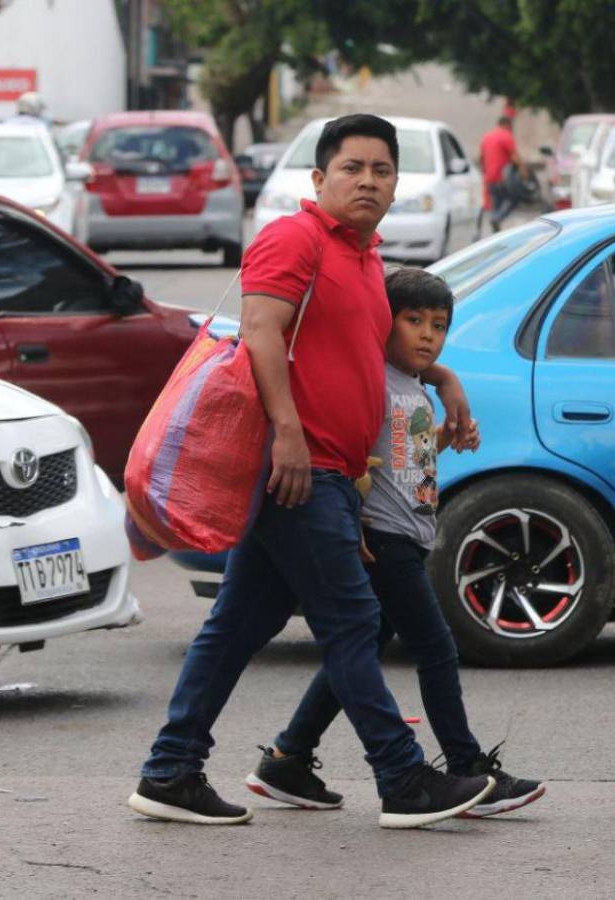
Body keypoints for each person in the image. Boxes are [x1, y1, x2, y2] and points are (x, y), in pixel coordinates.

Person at [129, 114, 492, 830]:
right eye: (352, 168)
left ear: (395, 185)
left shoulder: (363, 259)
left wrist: (445, 379)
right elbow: (262, 332)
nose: (367, 181)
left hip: (331, 472)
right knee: (354, 618)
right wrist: (289, 435)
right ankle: (402, 777)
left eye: (381, 170)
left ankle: (170, 770)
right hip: (299, 468)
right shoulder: (292, 239)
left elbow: (371, 353)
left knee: (238, 626)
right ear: (320, 179)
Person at [246, 267, 547, 819]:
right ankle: (465, 766)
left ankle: (288, 758)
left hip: (408, 533)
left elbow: (401, 455)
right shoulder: (372, 379)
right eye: (413, 321)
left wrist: (446, 425)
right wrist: (351, 524)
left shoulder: (411, 384)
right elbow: (350, 461)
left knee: (357, 652)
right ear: (383, 322)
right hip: (380, 538)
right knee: (436, 649)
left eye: (439, 325)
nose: (428, 335)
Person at [479, 116, 523, 233]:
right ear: (507, 125)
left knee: (496, 203)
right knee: (514, 198)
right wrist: (524, 171)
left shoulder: (486, 137)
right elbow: (515, 157)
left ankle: (495, 232)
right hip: (503, 179)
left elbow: (481, 159)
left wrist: (486, 173)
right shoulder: (506, 136)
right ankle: (496, 219)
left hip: (490, 178)